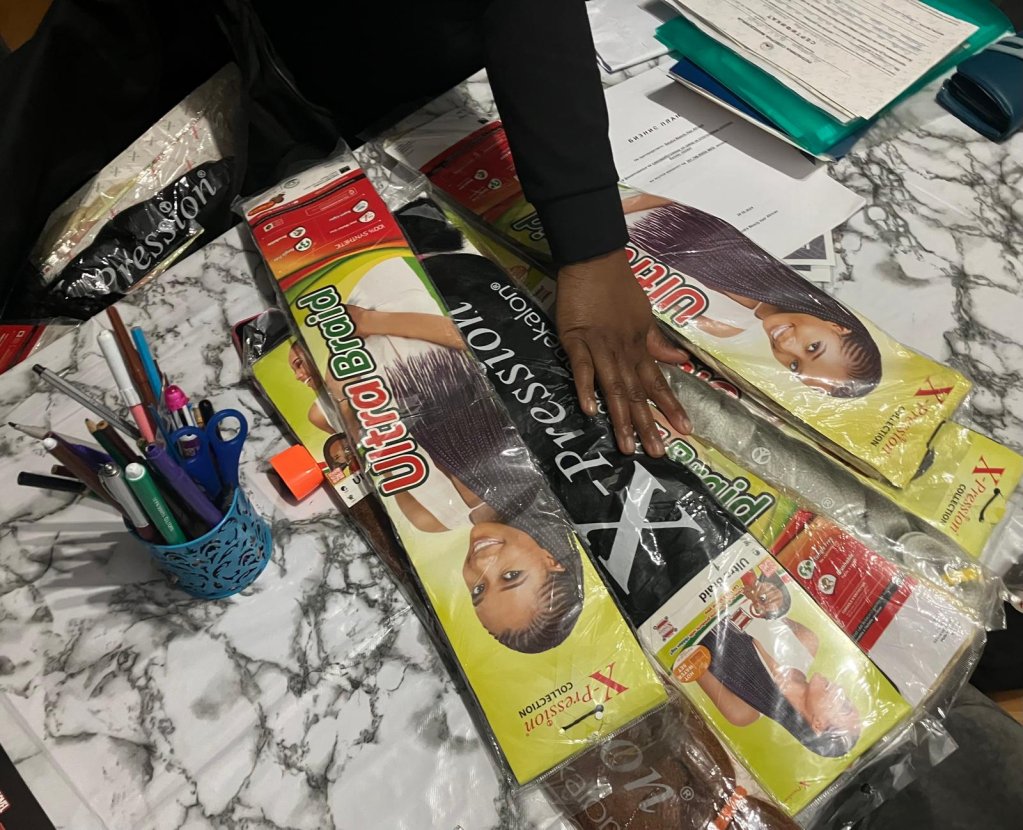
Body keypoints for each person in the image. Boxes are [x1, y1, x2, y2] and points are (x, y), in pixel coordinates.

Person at [622, 194, 883, 398]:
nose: (786, 346)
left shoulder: (722, 327)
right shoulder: (770, 251)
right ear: (837, 326)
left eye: (794, 365)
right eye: (812, 347)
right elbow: (687, 196)